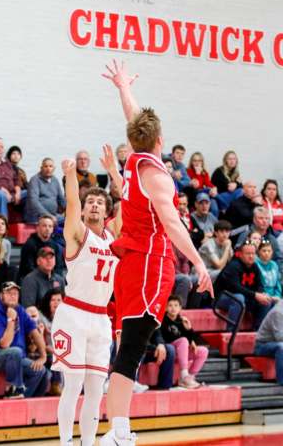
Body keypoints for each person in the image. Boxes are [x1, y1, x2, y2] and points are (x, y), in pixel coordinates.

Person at [100, 60, 213, 446]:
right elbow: (173, 224)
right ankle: (116, 431)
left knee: (128, 345)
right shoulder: (157, 175)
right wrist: (199, 262)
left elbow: (134, 117)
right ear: (161, 139)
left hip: (131, 257)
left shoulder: (136, 156)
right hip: (149, 259)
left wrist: (122, 88)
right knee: (132, 347)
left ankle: (117, 428)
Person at [53, 157, 117, 446]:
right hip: (74, 314)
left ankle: (88, 443)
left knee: (95, 389)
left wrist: (117, 173)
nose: (93, 205)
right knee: (73, 386)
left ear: (106, 210)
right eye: (89, 201)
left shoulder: (114, 238)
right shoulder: (78, 234)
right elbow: (71, 204)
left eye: (99, 202)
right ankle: (66, 441)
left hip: (101, 319)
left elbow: (129, 204)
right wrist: (69, 176)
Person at [0, 281, 50, 398]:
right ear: (1, 295)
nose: (13, 296)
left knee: (40, 371)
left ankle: (22, 401)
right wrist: (11, 320)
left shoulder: (19, 310)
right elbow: (5, 344)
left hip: (14, 358)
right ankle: (13, 389)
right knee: (15, 352)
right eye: (9, 293)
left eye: (15, 293)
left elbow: (34, 331)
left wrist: (43, 356)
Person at [160, 295, 208, 389]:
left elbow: (193, 341)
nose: (173, 308)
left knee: (203, 351)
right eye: (170, 305)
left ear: (180, 308)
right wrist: (186, 339)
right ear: (165, 308)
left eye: (176, 305)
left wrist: (189, 329)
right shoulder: (163, 321)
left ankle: (189, 378)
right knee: (183, 340)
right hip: (170, 351)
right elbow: (168, 337)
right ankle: (184, 375)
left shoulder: (182, 321)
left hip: (182, 353)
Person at [19, 215, 66, 281]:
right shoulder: (29, 245)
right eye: (44, 226)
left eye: (50, 226)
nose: (47, 228)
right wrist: (45, 278)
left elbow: (59, 267)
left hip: (51, 279)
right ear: (37, 228)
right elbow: (29, 268)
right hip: (31, 279)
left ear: (53, 229)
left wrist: (53, 278)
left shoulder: (56, 246)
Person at [25, 158, 66, 224]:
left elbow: (61, 200)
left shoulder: (55, 180)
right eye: (46, 166)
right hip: (37, 216)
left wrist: (73, 211)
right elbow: (33, 202)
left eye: (50, 166)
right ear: (41, 168)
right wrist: (48, 216)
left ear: (54, 168)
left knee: (71, 221)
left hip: (53, 215)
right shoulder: (35, 180)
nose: (48, 169)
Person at [187, 152, 219, 216]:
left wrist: (214, 188)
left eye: (199, 161)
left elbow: (208, 184)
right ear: (191, 162)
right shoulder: (188, 171)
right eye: (195, 161)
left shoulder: (204, 172)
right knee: (208, 190)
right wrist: (197, 174)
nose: (197, 163)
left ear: (202, 162)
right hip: (195, 195)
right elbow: (196, 186)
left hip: (205, 194)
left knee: (214, 208)